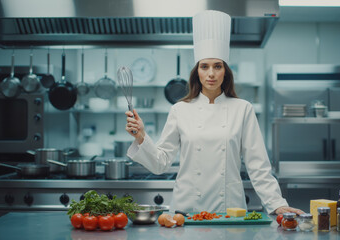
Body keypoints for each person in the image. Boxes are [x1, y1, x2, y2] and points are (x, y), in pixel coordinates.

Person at [125, 10, 304, 216]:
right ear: (197, 72)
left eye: (217, 66)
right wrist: (141, 137)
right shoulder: (180, 110)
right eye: (205, 66)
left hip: (229, 211)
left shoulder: (242, 109)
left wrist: (276, 203)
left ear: (225, 71)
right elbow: (160, 162)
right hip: (186, 213)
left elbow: (258, 166)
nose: (211, 73)